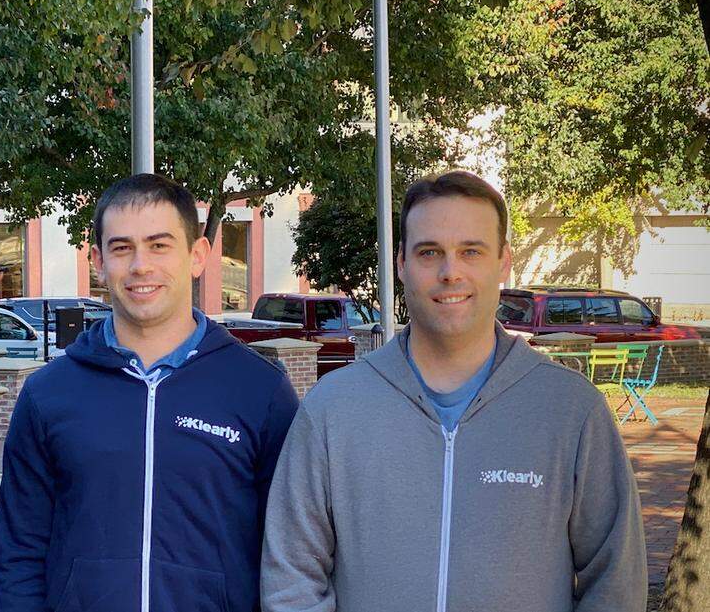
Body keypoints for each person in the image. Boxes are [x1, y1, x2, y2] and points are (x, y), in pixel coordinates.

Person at [261, 170, 646, 611]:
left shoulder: (570, 411)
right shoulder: (335, 408)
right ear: (401, 263)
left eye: (471, 252)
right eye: (430, 252)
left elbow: (616, 582)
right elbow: (291, 578)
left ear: (503, 261)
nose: (450, 272)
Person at [0, 174, 299, 612]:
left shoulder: (260, 391)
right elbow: (19, 554)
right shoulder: (49, 394)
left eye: (159, 245)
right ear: (98, 261)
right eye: (122, 248)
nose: (140, 266)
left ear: (198, 255)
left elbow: (290, 557)